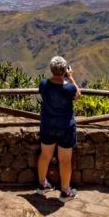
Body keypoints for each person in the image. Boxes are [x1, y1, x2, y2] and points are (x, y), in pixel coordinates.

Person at [35, 55, 81, 202]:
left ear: (51, 69)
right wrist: (71, 77)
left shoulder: (43, 84)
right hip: (65, 128)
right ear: (64, 71)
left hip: (47, 125)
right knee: (65, 160)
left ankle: (43, 184)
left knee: (45, 155)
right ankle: (65, 192)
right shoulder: (68, 88)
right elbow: (78, 94)